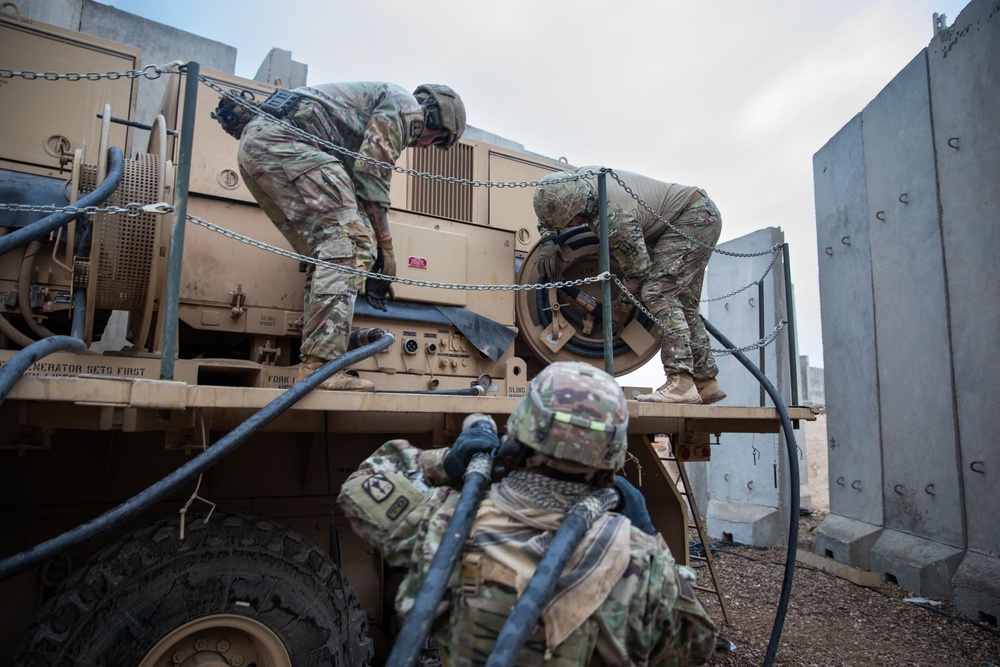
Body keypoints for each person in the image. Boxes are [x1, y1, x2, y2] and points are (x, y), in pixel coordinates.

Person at [338, 361, 718, 666]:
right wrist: (649, 534)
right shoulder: (640, 560)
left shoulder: (447, 521)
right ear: (611, 453)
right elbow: (695, 646)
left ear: (521, 431)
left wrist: (449, 462)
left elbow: (362, 485)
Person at [221, 82, 466, 391]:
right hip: (285, 143)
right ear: (434, 119)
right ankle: (321, 367)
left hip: (263, 148)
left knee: (330, 251)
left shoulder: (367, 117)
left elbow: (358, 192)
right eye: (438, 140)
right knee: (349, 245)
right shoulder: (406, 109)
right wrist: (386, 251)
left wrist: (374, 259)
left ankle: (317, 360)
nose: (428, 147)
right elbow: (371, 175)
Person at [532, 168, 725, 404]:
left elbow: (639, 270)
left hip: (694, 220)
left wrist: (618, 310)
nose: (571, 226)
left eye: (571, 222)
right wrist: (549, 238)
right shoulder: (572, 184)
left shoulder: (613, 218)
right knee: (683, 301)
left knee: (658, 291)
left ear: (581, 208)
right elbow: (549, 217)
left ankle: (680, 381)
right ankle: (705, 382)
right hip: (699, 213)